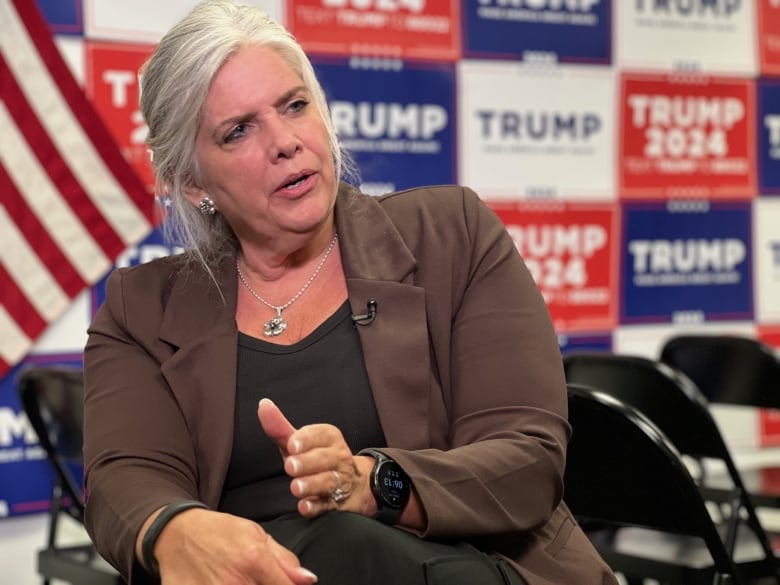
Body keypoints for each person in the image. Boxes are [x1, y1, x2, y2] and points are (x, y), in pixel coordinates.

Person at [82, 1, 618, 584]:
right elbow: (124, 478)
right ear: (192, 182)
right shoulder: (141, 307)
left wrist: (372, 484)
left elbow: (527, 460)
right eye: (239, 130)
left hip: (468, 564)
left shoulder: (452, 234)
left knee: (341, 542)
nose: (285, 142)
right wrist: (177, 530)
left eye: (294, 105)